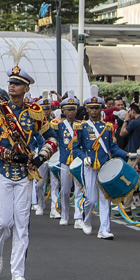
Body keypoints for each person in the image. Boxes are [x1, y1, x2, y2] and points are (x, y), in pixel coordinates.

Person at [0, 66, 57, 280]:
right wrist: (13, 155)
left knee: (22, 225)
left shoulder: (35, 112)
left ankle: (18, 273)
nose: (12, 85)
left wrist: (41, 157)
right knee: (4, 222)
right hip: (4, 173)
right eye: (11, 82)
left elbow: (51, 138)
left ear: (26, 88)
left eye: (17, 83)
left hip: (25, 175)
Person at [72, 89, 139, 239]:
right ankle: (86, 220)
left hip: (104, 166)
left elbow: (113, 148)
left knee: (105, 198)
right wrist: (84, 158)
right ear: (87, 109)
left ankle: (104, 229)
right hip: (89, 166)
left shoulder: (108, 127)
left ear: (101, 109)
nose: (94, 110)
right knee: (90, 198)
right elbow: (75, 148)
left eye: (97, 107)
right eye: (92, 107)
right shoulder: (81, 127)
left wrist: (128, 154)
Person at [52, 93, 82, 228]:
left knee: (79, 190)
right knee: (64, 190)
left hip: (78, 161)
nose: (71, 112)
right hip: (65, 161)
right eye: (68, 109)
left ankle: (78, 217)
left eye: (73, 109)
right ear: (63, 110)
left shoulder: (81, 125)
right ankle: (64, 214)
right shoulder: (59, 126)